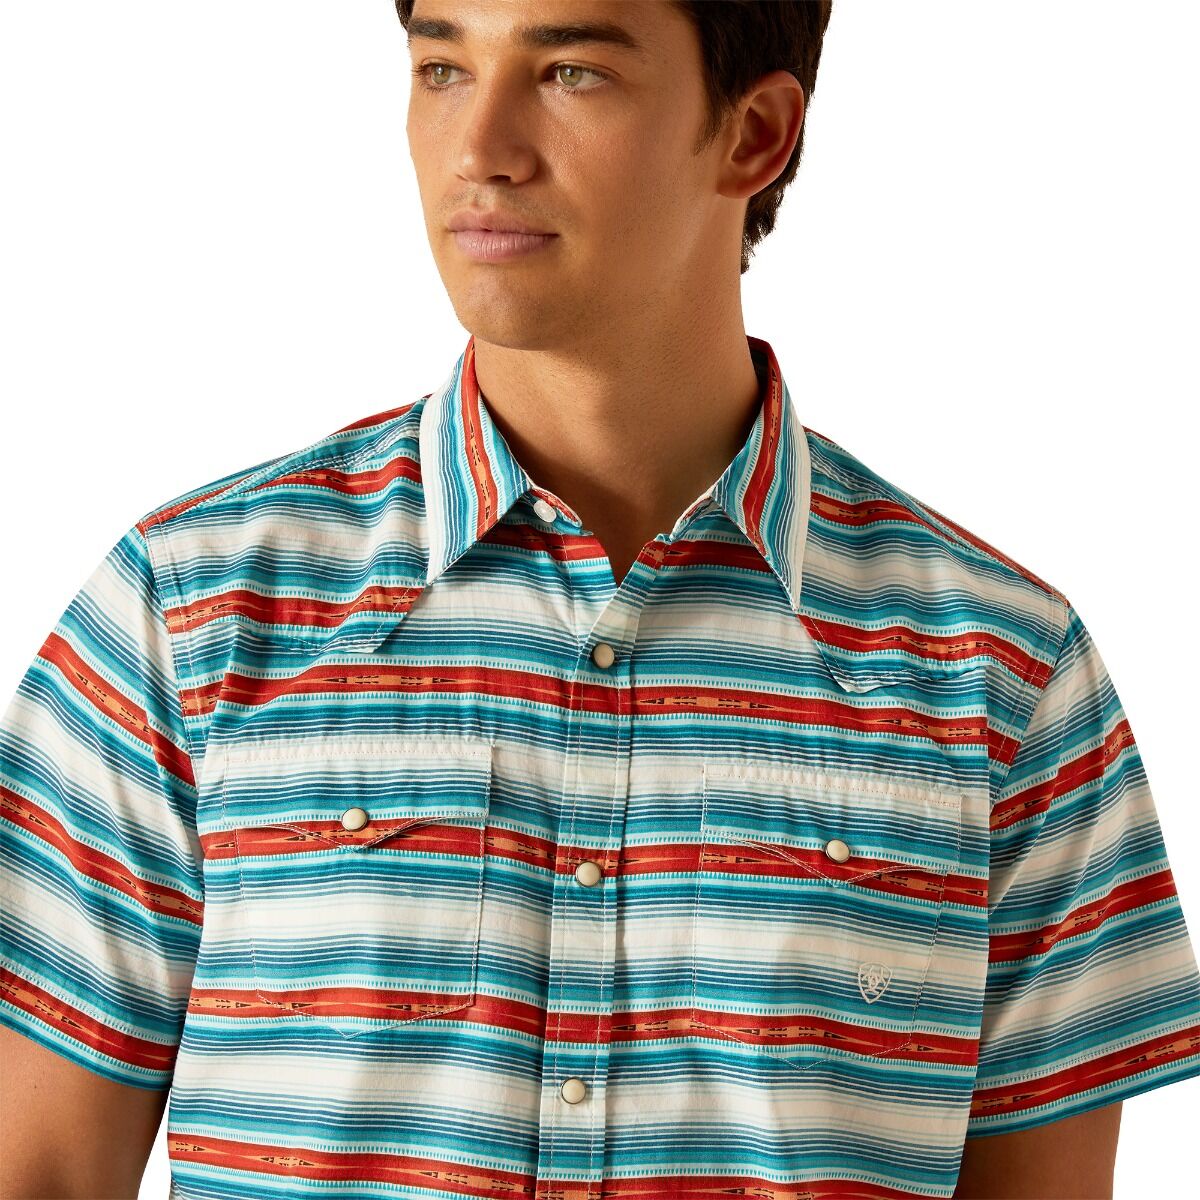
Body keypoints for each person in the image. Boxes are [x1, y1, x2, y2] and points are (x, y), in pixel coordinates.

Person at [2, 2, 1198, 1197]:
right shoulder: (188, 613)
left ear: (755, 133)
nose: (480, 147)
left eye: (570, 71)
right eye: (442, 67)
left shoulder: (1006, 676)